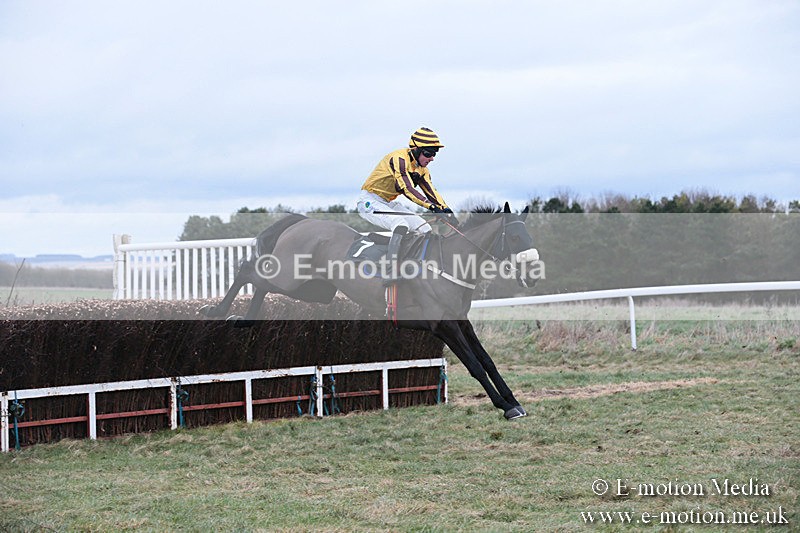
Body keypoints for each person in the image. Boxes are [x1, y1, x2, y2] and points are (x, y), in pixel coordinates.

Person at [357, 127, 456, 284]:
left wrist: (446, 209)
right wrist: (431, 207)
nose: (431, 158)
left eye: (434, 154)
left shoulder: (422, 170)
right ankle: (390, 270)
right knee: (400, 224)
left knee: (425, 229)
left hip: (389, 203)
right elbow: (408, 189)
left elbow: (431, 191)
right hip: (369, 201)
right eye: (428, 154)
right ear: (416, 150)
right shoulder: (399, 159)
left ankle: (418, 267)